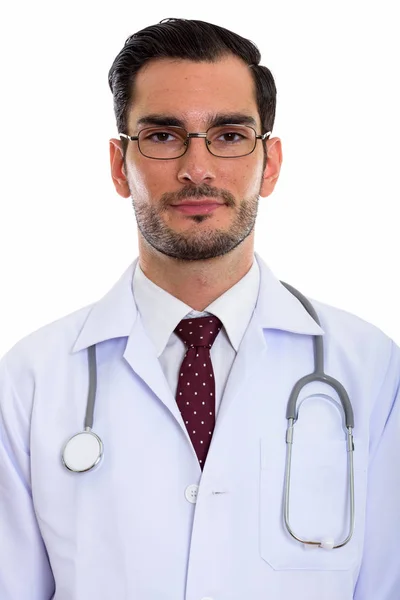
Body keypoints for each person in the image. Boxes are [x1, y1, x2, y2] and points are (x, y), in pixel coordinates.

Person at [0, 17, 399, 600]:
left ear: (272, 163)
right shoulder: (31, 380)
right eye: (163, 135)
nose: (198, 168)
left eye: (230, 135)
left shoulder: (370, 370)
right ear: (119, 165)